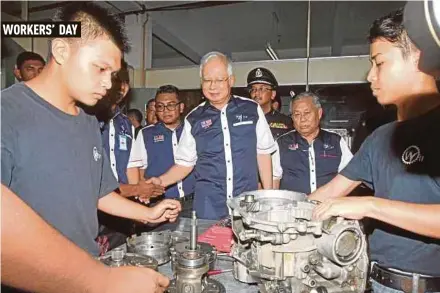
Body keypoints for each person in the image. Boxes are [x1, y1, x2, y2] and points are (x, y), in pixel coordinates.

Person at [1, 1, 181, 262]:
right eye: (101, 68)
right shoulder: (7, 113)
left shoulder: (87, 119)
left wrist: (147, 214)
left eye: (113, 74)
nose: (108, 84)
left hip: (86, 265)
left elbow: (99, 193)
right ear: (62, 50)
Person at [310, 8, 440, 291]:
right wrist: (275, 213)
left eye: (379, 63)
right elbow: (327, 195)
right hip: (375, 282)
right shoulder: (380, 137)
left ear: (418, 56)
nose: (370, 76)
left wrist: (370, 205)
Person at [147, 51, 276, 220]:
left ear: (231, 80)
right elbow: (184, 164)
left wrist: (268, 196)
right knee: (208, 246)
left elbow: (263, 153)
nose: (213, 86)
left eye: (219, 80)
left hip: (247, 204)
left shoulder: (251, 110)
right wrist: (160, 181)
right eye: (207, 80)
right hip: (209, 208)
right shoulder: (194, 118)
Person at [1, 185, 169, 293]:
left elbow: (96, 191)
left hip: (88, 262)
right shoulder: (13, 129)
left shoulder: (90, 129)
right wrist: (104, 281)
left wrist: (147, 214)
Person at [278, 92, 352, 194]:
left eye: (307, 113)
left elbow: (351, 178)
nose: (302, 119)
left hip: (329, 207)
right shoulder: (281, 143)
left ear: (319, 113)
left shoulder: (336, 142)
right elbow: (272, 180)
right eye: (297, 114)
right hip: (293, 208)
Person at [138, 85, 195, 201]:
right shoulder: (146, 134)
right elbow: (139, 171)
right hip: (159, 201)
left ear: (181, 107)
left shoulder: (193, 130)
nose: (165, 111)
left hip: (192, 201)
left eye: (171, 105)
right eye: (160, 106)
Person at [247, 67, 293, 139]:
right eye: (253, 89)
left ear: (273, 94)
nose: (256, 93)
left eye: (262, 89)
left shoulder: (287, 122)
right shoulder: (243, 119)